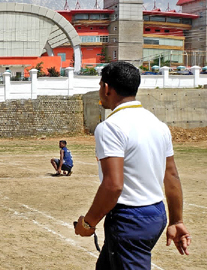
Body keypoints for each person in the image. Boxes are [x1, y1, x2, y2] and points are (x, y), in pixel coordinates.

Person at [74, 61, 191, 269]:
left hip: (129, 220)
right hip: (156, 213)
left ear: (107, 88)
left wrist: (88, 224)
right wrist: (176, 220)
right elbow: (171, 175)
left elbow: (113, 185)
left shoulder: (110, 127)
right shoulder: (158, 125)